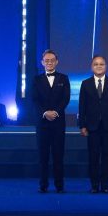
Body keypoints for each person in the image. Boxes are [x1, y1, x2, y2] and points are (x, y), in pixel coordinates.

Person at [78, 55, 108, 194]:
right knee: (93, 156)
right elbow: (82, 106)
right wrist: (82, 125)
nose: (99, 66)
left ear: (106, 66)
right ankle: (94, 185)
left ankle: (105, 185)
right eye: (96, 64)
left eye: (101, 64)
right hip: (92, 127)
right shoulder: (85, 84)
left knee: (107, 156)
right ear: (92, 67)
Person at [33, 49, 70, 193]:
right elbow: (34, 100)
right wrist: (45, 112)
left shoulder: (64, 78)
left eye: (52, 60)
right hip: (42, 123)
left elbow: (65, 99)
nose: (49, 62)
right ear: (42, 62)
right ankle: (43, 185)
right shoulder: (36, 79)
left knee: (58, 155)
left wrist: (55, 112)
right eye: (46, 60)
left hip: (58, 122)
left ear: (57, 62)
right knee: (43, 156)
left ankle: (59, 185)